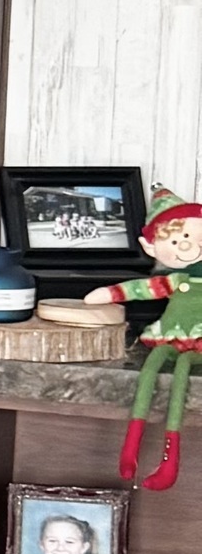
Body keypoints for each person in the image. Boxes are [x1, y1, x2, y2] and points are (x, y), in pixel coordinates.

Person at [87, 186, 202, 490]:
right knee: (149, 369)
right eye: (176, 240)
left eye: (191, 237)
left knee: (181, 377)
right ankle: (130, 449)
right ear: (151, 247)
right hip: (168, 338)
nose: (187, 246)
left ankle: (170, 460)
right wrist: (110, 293)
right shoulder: (175, 280)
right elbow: (140, 289)